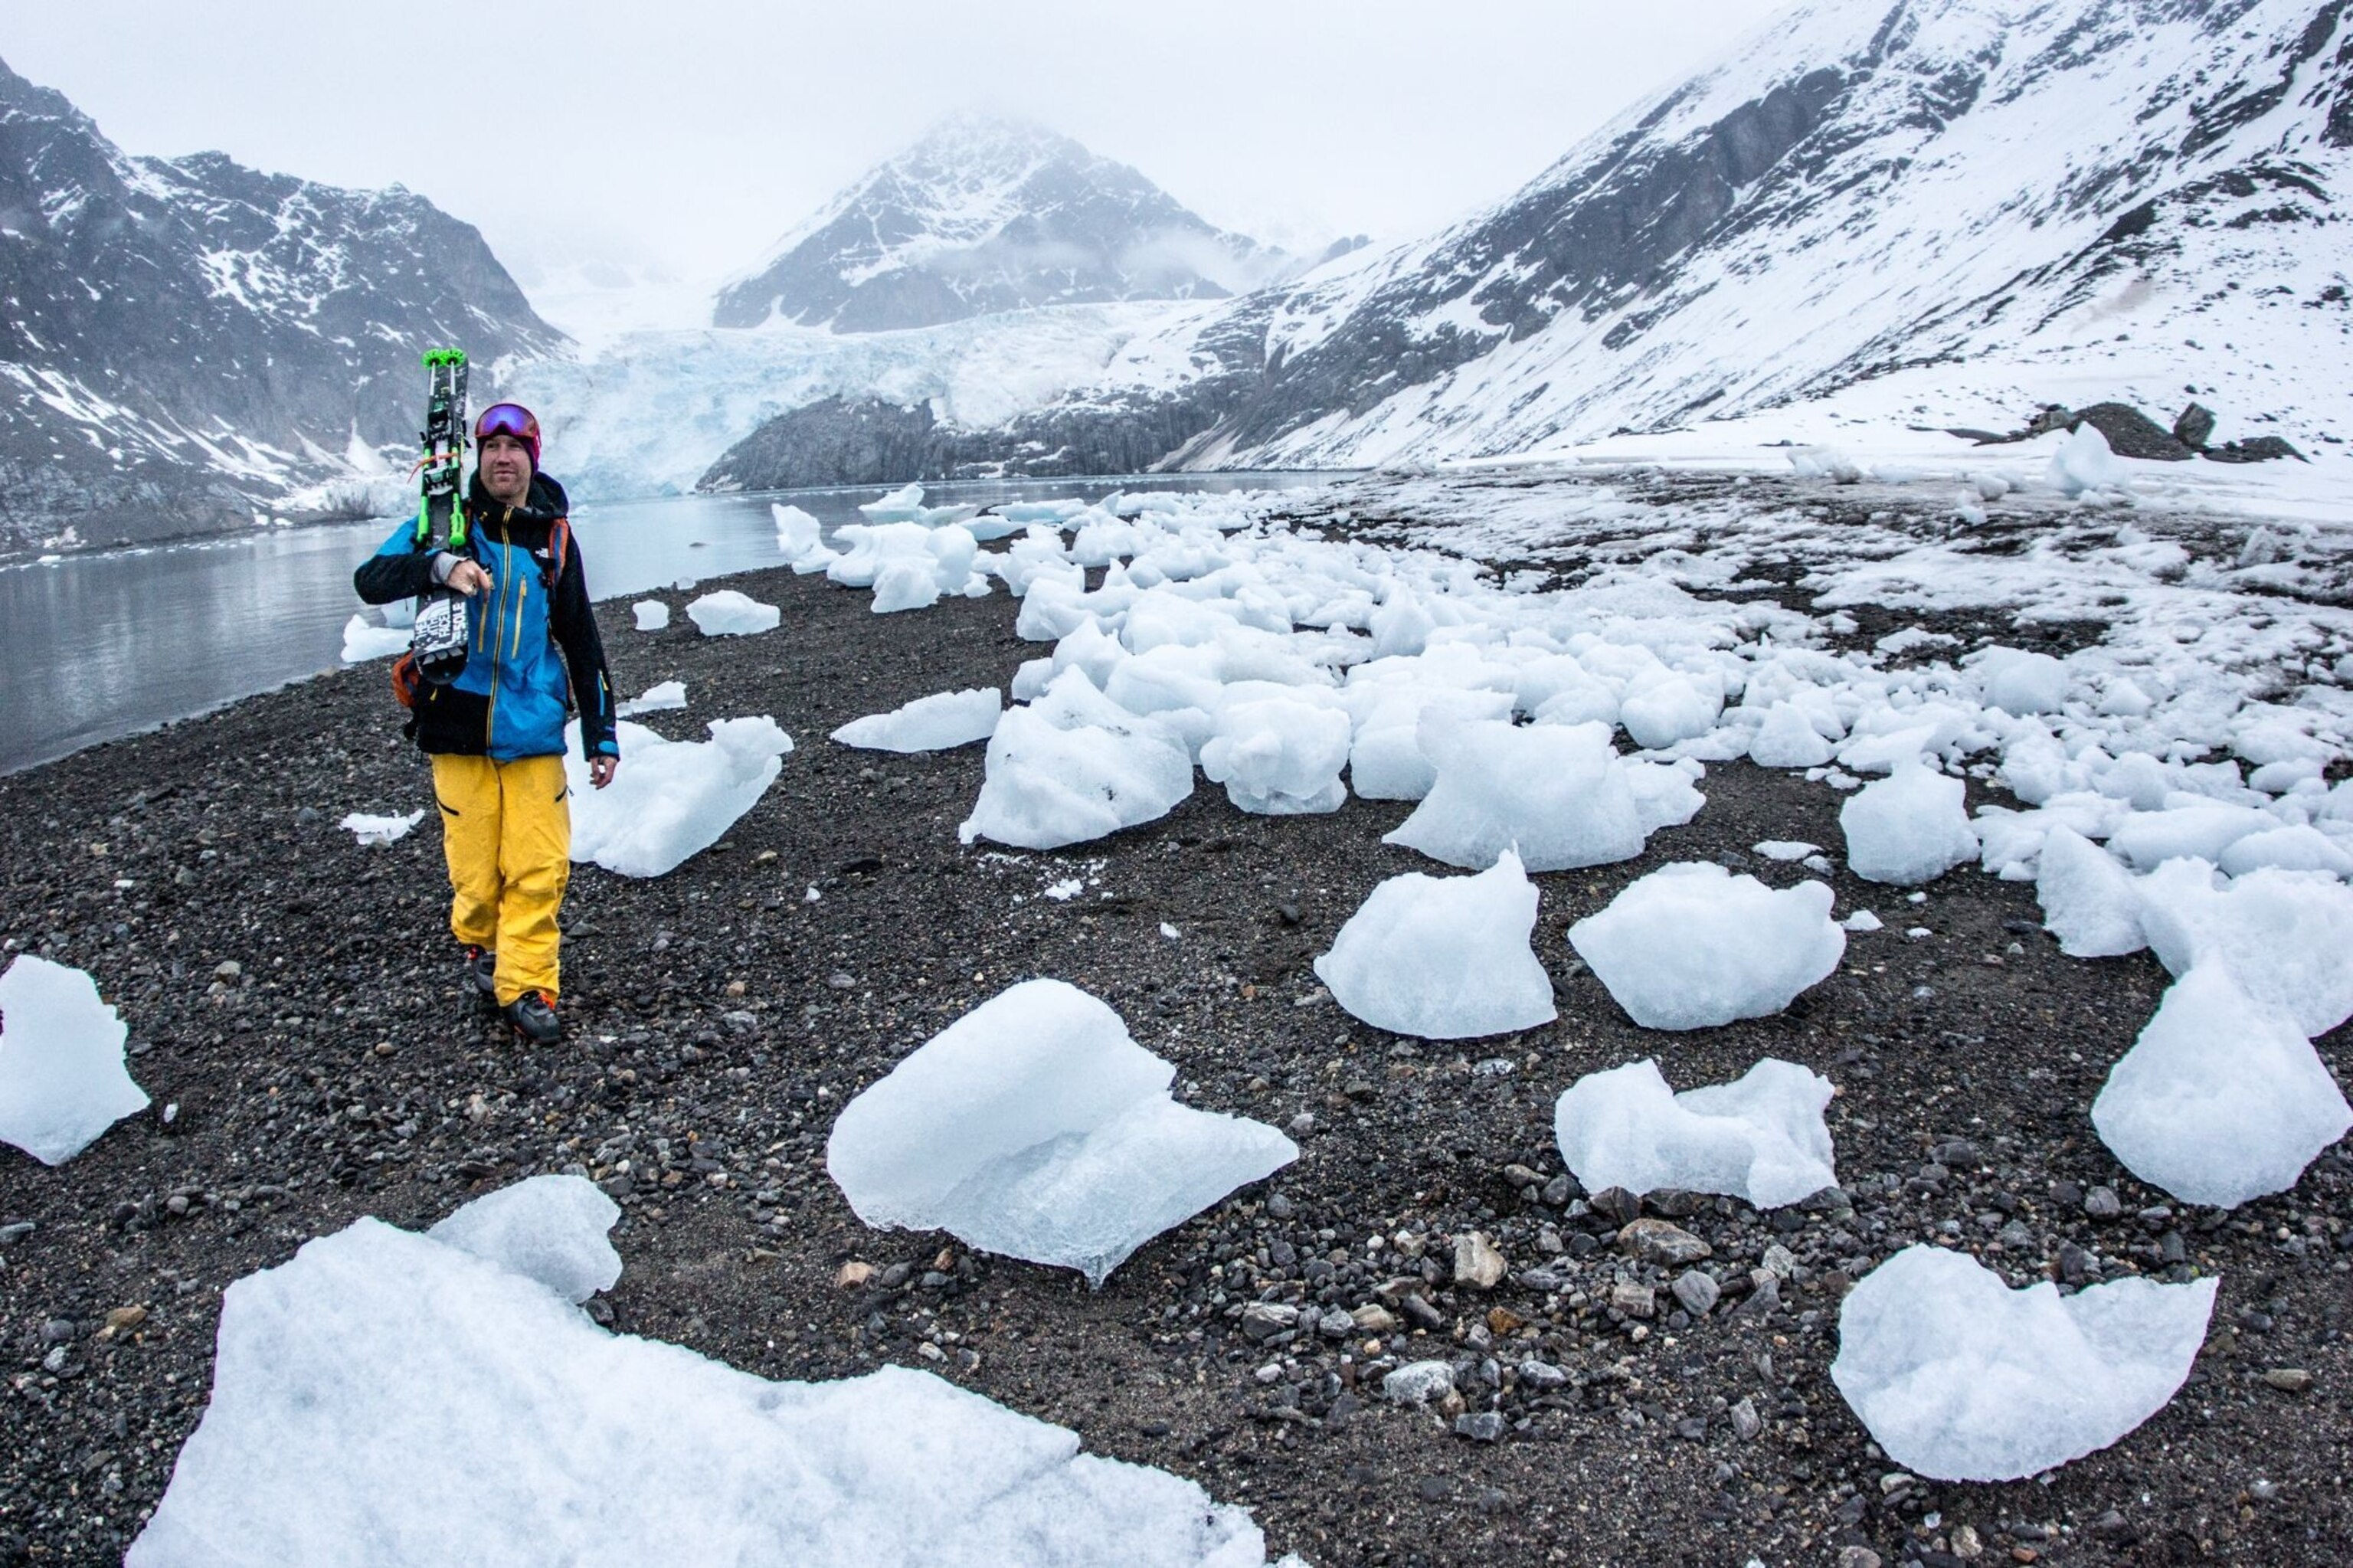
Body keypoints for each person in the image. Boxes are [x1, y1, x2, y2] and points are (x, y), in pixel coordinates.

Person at [353, 401, 619, 1043]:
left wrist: (601, 733)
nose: (503, 458)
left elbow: (581, 637)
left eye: (515, 448)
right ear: (479, 457)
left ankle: (528, 982)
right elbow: (371, 580)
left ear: (533, 458)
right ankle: (482, 943)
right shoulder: (445, 523)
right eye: (492, 447)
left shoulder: (553, 538)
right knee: (475, 874)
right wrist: (440, 566)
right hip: (456, 722)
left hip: (532, 727)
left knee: (540, 864)